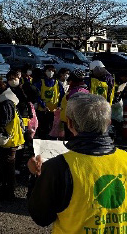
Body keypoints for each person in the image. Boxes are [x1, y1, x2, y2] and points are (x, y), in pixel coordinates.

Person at [27, 94, 127, 233]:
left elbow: (41, 217)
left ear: (70, 123)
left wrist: (37, 176)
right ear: (109, 122)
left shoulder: (58, 166)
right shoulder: (125, 159)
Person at [0, 79, 25, 200]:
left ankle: (9, 191)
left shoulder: (6, 103)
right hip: (10, 137)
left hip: (10, 138)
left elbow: (4, 120)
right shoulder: (8, 99)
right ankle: (5, 188)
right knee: (5, 164)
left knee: (8, 165)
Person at [34, 65, 64, 138]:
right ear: (45, 72)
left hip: (53, 109)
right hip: (42, 109)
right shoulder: (40, 82)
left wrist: (59, 105)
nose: (50, 72)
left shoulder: (58, 83)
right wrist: (43, 105)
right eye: (48, 71)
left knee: (51, 126)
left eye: (52, 71)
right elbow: (37, 95)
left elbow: (62, 95)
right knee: (42, 126)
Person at [59, 69, 89, 139]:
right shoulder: (82, 90)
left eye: (69, 81)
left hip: (73, 123)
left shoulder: (76, 92)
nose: (68, 83)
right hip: (71, 121)